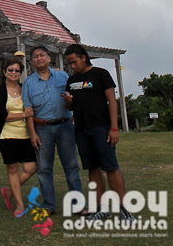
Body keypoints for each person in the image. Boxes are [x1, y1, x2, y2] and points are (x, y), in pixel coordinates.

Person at [63, 44, 135, 221]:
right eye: (69, 64)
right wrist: (68, 101)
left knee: (111, 167)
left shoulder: (101, 74)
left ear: (83, 58)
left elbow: (112, 101)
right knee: (92, 169)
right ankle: (102, 209)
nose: (72, 66)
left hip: (101, 128)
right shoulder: (72, 81)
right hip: (81, 130)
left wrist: (114, 128)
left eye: (74, 62)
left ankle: (124, 210)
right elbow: (70, 107)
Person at [22, 45, 84, 215]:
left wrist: (69, 101)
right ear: (32, 61)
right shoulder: (28, 83)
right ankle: (49, 204)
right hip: (43, 129)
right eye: (35, 56)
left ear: (49, 58)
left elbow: (72, 100)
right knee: (44, 169)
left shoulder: (62, 76)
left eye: (42, 55)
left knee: (71, 165)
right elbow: (28, 111)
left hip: (65, 126)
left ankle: (77, 203)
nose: (39, 58)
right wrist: (32, 134)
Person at [0, 57, 37, 217]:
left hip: (25, 135)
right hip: (7, 135)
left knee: (31, 168)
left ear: (20, 73)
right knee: (12, 169)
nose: (13, 73)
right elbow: (1, 115)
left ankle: (9, 191)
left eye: (17, 70)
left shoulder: (25, 88)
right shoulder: (0, 91)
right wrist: (23, 115)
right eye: (10, 70)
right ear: (4, 72)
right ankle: (19, 203)